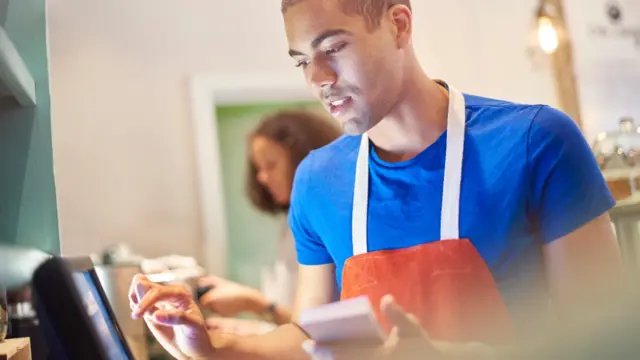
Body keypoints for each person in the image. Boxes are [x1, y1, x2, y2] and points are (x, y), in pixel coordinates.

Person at [129, 1, 625, 359]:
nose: (317, 78)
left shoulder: (536, 143)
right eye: (302, 59)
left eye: (334, 47)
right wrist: (212, 346)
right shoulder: (317, 182)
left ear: (399, 24)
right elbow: (309, 338)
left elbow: (609, 337)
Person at [198, 109, 342, 335]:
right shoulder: (290, 225)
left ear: (304, 160)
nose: (262, 178)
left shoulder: (332, 225)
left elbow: (320, 328)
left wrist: (256, 304)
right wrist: (246, 328)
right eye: (259, 168)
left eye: (271, 165)